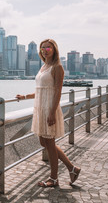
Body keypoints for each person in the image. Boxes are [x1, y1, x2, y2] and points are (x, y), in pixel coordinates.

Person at [16, 39, 81, 187]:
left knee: (49, 142)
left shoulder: (57, 67)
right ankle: (72, 169)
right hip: (40, 108)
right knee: (44, 142)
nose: (45, 50)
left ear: (54, 50)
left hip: (49, 108)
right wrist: (24, 96)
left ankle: (54, 178)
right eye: (43, 47)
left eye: (48, 47)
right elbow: (40, 90)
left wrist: (52, 112)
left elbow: (57, 91)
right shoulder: (44, 67)